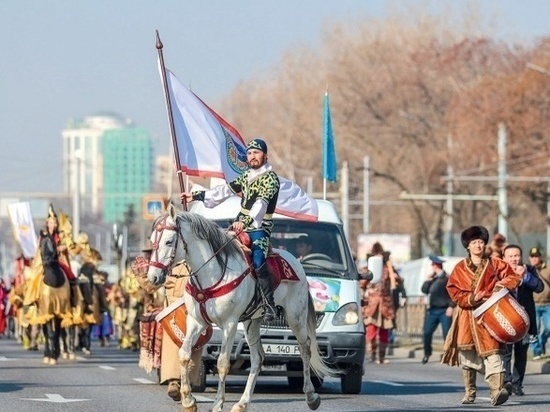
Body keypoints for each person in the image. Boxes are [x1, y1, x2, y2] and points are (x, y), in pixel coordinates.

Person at [181, 138, 280, 321]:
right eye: (250, 153)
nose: (253, 157)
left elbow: (261, 204)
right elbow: (224, 191)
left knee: (258, 260)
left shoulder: (270, 179)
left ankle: (269, 304)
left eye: (256, 153)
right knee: (217, 251)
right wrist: (195, 196)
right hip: (238, 226)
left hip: (259, 229)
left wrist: (247, 221)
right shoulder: (246, 176)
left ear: (265, 156)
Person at [441, 225, 521, 406]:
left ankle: (497, 392)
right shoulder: (460, 268)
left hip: (491, 316)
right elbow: (453, 290)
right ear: (468, 246)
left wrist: (501, 286)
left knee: (494, 355)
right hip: (467, 316)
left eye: (481, 242)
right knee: (468, 358)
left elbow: (513, 277)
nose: (478, 245)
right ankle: (470, 392)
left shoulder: (496, 263)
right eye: (474, 242)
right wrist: (470, 297)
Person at [501, 244, 543, 396]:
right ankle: (507, 382)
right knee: (505, 352)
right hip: (505, 319)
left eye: (517, 255)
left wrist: (525, 276)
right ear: (504, 257)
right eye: (511, 256)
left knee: (521, 352)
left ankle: (518, 384)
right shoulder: (500, 271)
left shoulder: (529, 270)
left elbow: (539, 287)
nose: (514, 258)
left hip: (524, 320)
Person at [362, 242, 396, 365]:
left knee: (384, 332)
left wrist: (390, 266)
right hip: (372, 305)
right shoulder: (367, 269)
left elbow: (396, 282)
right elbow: (361, 285)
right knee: (371, 331)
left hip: (385, 305)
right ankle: (372, 354)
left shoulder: (388, 270)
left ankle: (381, 356)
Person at [421, 255, 455, 364]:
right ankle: (427, 353)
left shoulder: (447, 278)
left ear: (437, 266)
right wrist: (427, 281)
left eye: (433, 265)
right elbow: (424, 290)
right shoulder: (433, 278)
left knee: (447, 334)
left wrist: (451, 306)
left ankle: (448, 355)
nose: (432, 267)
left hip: (444, 310)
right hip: (433, 310)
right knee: (427, 332)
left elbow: (453, 294)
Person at [530, 247, 550, 360]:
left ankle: (542, 342)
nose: (534, 258)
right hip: (533, 304)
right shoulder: (527, 269)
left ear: (540, 257)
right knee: (534, 329)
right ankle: (536, 351)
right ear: (529, 258)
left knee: (549, 328)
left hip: (548, 304)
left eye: (536, 256)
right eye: (532, 257)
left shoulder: (547, 269)